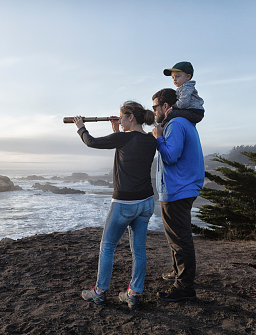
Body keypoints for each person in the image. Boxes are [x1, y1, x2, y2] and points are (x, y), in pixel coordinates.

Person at [75, 101, 157, 310]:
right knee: (138, 250)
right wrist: (117, 130)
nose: (119, 120)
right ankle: (133, 293)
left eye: (121, 117)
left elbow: (91, 142)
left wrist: (81, 127)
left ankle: (99, 292)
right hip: (147, 201)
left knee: (108, 247)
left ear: (130, 117)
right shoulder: (151, 140)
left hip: (124, 203)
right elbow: (129, 150)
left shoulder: (123, 138)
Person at [151, 88, 205, 302]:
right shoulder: (183, 122)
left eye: (155, 107)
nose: (153, 111)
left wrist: (158, 138)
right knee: (176, 237)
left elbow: (171, 156)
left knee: (180, 239)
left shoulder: (175, 124)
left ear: (165, 107)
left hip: (178, 189)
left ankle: (184, 288)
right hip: (182, 186)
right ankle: (178, 272)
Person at [162, 61, 204, 127]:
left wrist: (173, 107)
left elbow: (184, 102)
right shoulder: (183, 88)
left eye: (177, 76)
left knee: (172, 113)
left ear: (188, 77)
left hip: (195, 112)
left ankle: (163, 126)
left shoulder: (186, 88)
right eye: (173, 77)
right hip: (193, 111)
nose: (174, 79)